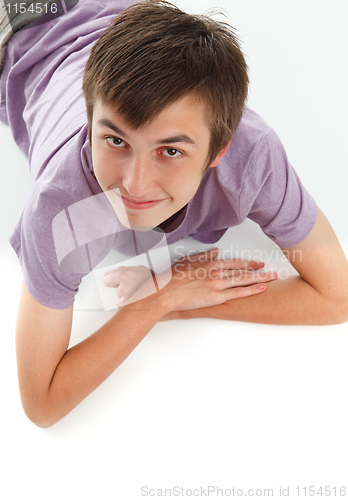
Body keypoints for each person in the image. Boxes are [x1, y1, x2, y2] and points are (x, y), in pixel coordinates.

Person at [1, 0, 347, 428]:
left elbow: (338, 296)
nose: (135, 184)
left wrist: (181, 297)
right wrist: (160, 298)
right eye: (115, 141)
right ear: (90, 123)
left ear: (220, 151)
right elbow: (42, 402)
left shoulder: (250, 157)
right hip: (21, 23)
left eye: (170, 151)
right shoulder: (64, 208)